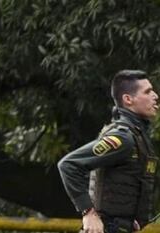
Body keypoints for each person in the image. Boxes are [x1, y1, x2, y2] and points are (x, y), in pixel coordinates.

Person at [58, 70, 159, 233]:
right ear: (128, 99)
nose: (155, 96)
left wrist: (132, 220)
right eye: (147, 92)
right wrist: (88, 213)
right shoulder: (123, 138)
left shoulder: (139, 137)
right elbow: (68, 165)